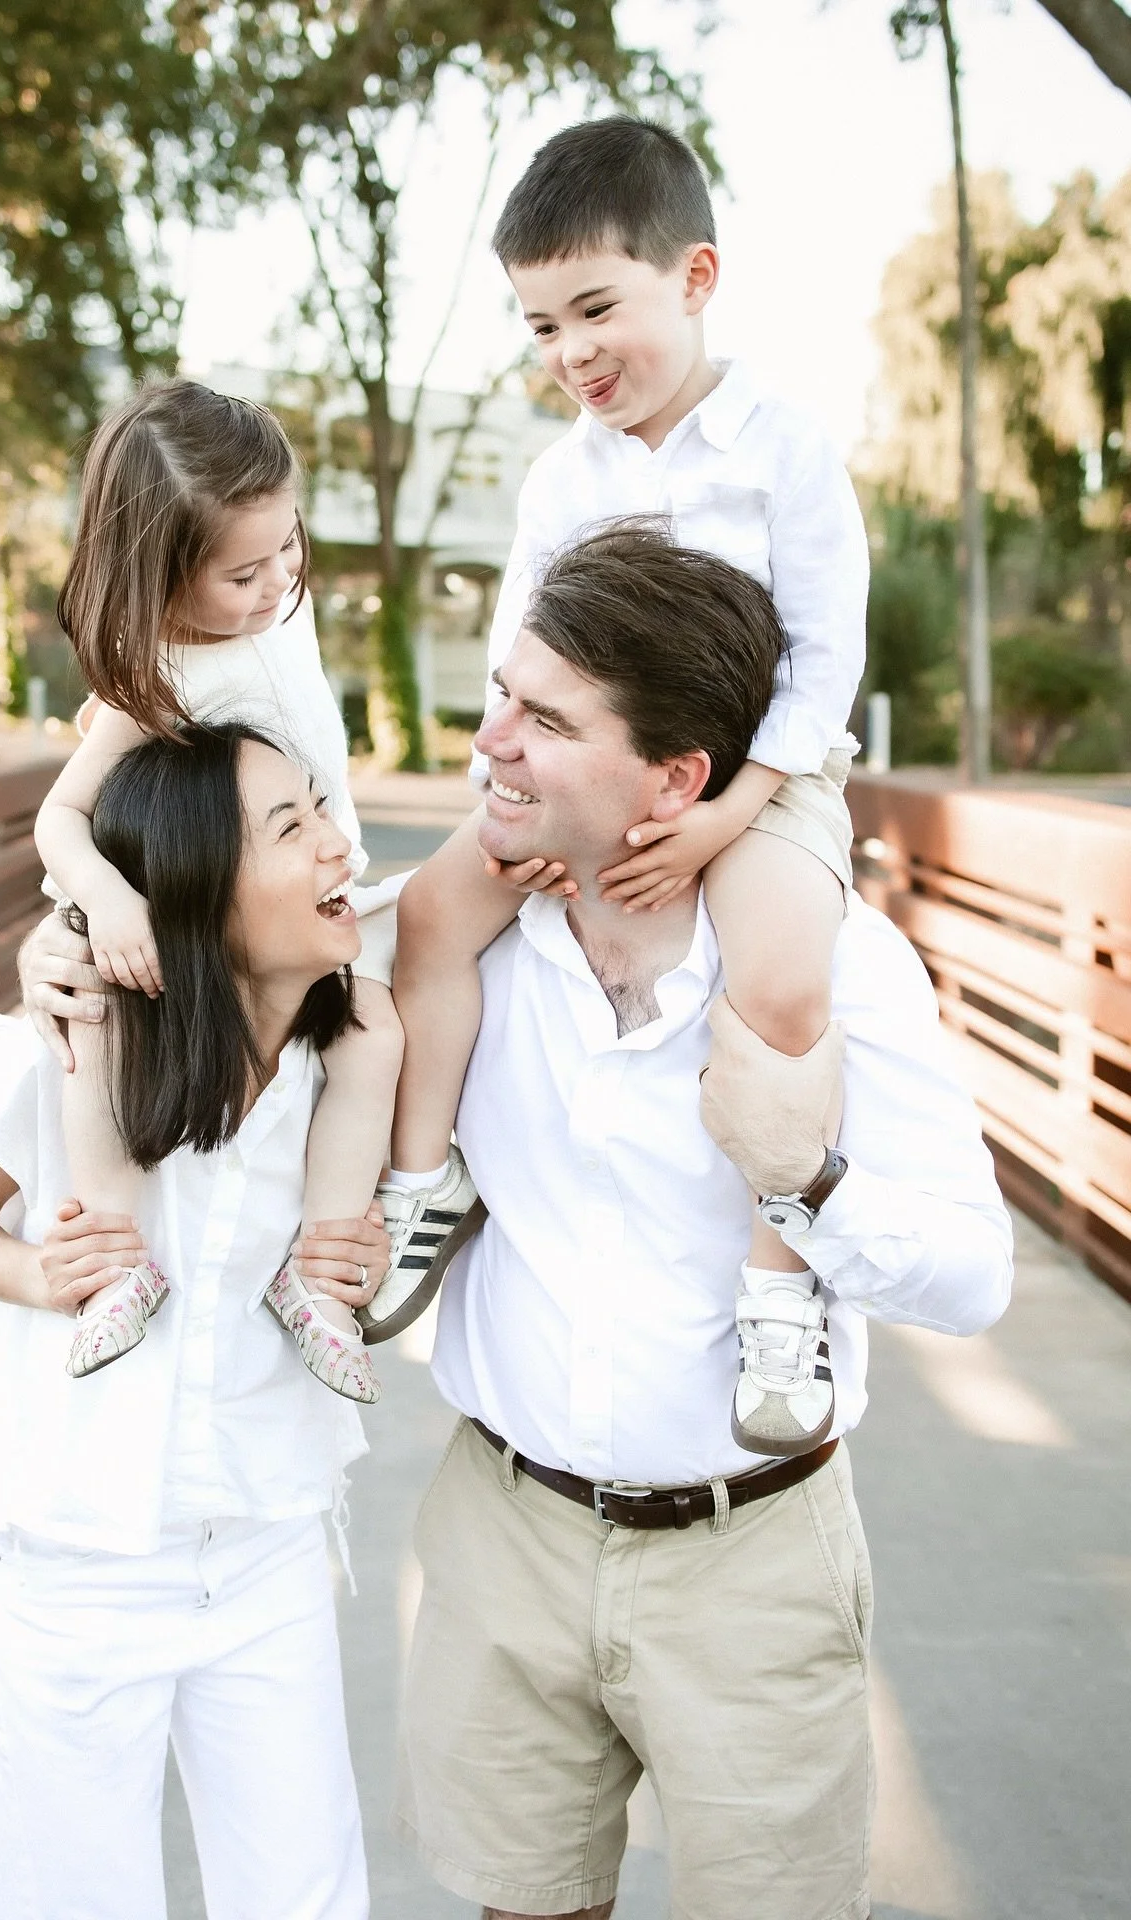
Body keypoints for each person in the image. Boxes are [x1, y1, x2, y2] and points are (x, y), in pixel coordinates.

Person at [389, 521, 1013, 1920]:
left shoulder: (836, 966)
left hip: (755, 1564)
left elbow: (977, 1281)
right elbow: (246, 974)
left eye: (543, 718)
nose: (489, 739)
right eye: (503, 693)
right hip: (509, 1535)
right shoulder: (469, 946)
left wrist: (809, 1181)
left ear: (675, 779)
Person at [375, 117, 870, 1460]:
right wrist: (526, 801)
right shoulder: (562, 482)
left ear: (694, 278)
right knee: (430, 916)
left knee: (781, 975)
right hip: (584, 782)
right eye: (541, 326)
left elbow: (824, 661)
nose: (571, 352)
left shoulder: (783, 448)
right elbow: (511, 663)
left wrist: (724, 813)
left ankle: (784, 1284)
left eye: (597, 307)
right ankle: (427, 1177)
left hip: (761, 781)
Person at [0, 724, 389, 1920]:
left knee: (308, 1902)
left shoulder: (353, 1063)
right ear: (194, 892)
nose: (340, 844)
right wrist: (43, 1275)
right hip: (72, 1573)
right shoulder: (73, 1052)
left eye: (322, 810)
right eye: (292, 828)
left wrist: (365, 1258)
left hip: (264, 1552)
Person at [33, 376, 401, 1398]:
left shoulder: (285, 607)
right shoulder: (154, 683)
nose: (278, 580)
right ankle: (113, 1255)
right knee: (93, 1020)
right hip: (200, 914)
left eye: (290, 545)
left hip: (323, 886)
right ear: (160, 578)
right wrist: (107, 904)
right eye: (242, 573)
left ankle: (320, 1272)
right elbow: (59, 819)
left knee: (376, 1033)